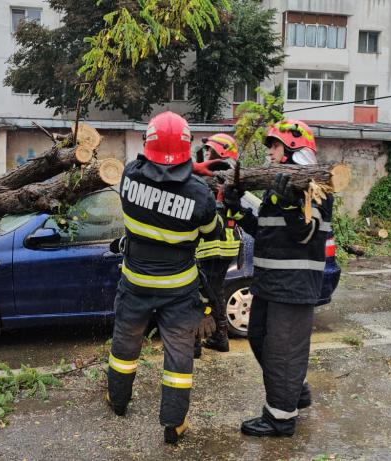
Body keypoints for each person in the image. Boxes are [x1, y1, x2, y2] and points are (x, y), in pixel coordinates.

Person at [107, 111, 221, 444]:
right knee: (178, 356)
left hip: (135, 284)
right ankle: (174, 424)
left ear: (148, 144)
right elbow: (210, 234)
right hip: (179, 291)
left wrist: (184, 172)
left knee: (125, 347)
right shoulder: (201, 195)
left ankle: (118, 401)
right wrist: (194, 175)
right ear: (187, 149)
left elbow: (149, 170)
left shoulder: (128, 177)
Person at [222, 119, 332, 437]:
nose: (269, 151)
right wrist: (239, 210)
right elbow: (265, 231)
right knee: (258, 339)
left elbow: (306, 233)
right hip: (269, 283)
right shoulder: (276, 187)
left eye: (274, 145)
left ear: (294, 150)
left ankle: (280, 419)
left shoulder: (317, 188)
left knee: (283, 352)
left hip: (294, 286)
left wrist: (290, 204)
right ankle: (294, 392)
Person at [191, 133, 243, 355]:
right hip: (226, 244)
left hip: (212, 245)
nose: (207, 154)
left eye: (210, 150)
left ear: (219, 151)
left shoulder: (217, 172)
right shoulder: (232, 174)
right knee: (216, 291)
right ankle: (219, 337)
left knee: (200, 293)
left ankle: (195, 343)